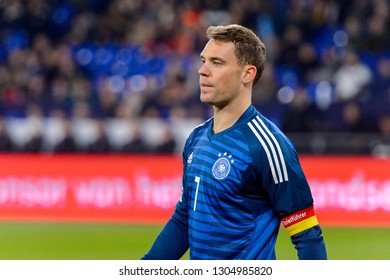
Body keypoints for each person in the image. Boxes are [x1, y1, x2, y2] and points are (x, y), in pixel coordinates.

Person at [142, 24, 327, 260]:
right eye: (203, 60)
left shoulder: (267, 146)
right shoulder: (196, 139)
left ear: (247, 74)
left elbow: (307, 236)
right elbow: (184, 219)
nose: (202, 71)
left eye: (217, 63)